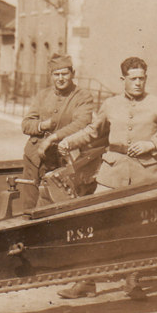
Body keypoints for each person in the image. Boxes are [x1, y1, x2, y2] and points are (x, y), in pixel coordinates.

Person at [56, 56, 157, 300]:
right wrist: (69, 141)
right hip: (112, 174)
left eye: (141, 78)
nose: (138, 83)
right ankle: (86, 281)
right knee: (93, 226)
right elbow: (93, 132)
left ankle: (133, 281)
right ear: (123, 80)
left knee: (139, 230)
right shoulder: (110, 104)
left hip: (146, 175)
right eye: (133, 79)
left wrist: (151, 144)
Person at [19, 54, 96, 208]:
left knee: (53, 207)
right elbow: (26, 124)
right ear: (51, 76)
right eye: (56, 74)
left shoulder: (83, 96)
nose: (60, 78)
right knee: (28, 205)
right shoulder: (43, 95)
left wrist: (52, 138)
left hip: (60, 161)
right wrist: (43, 126)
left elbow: (81, 123)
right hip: (34, 158)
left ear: (72, 73)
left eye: (65, 74)